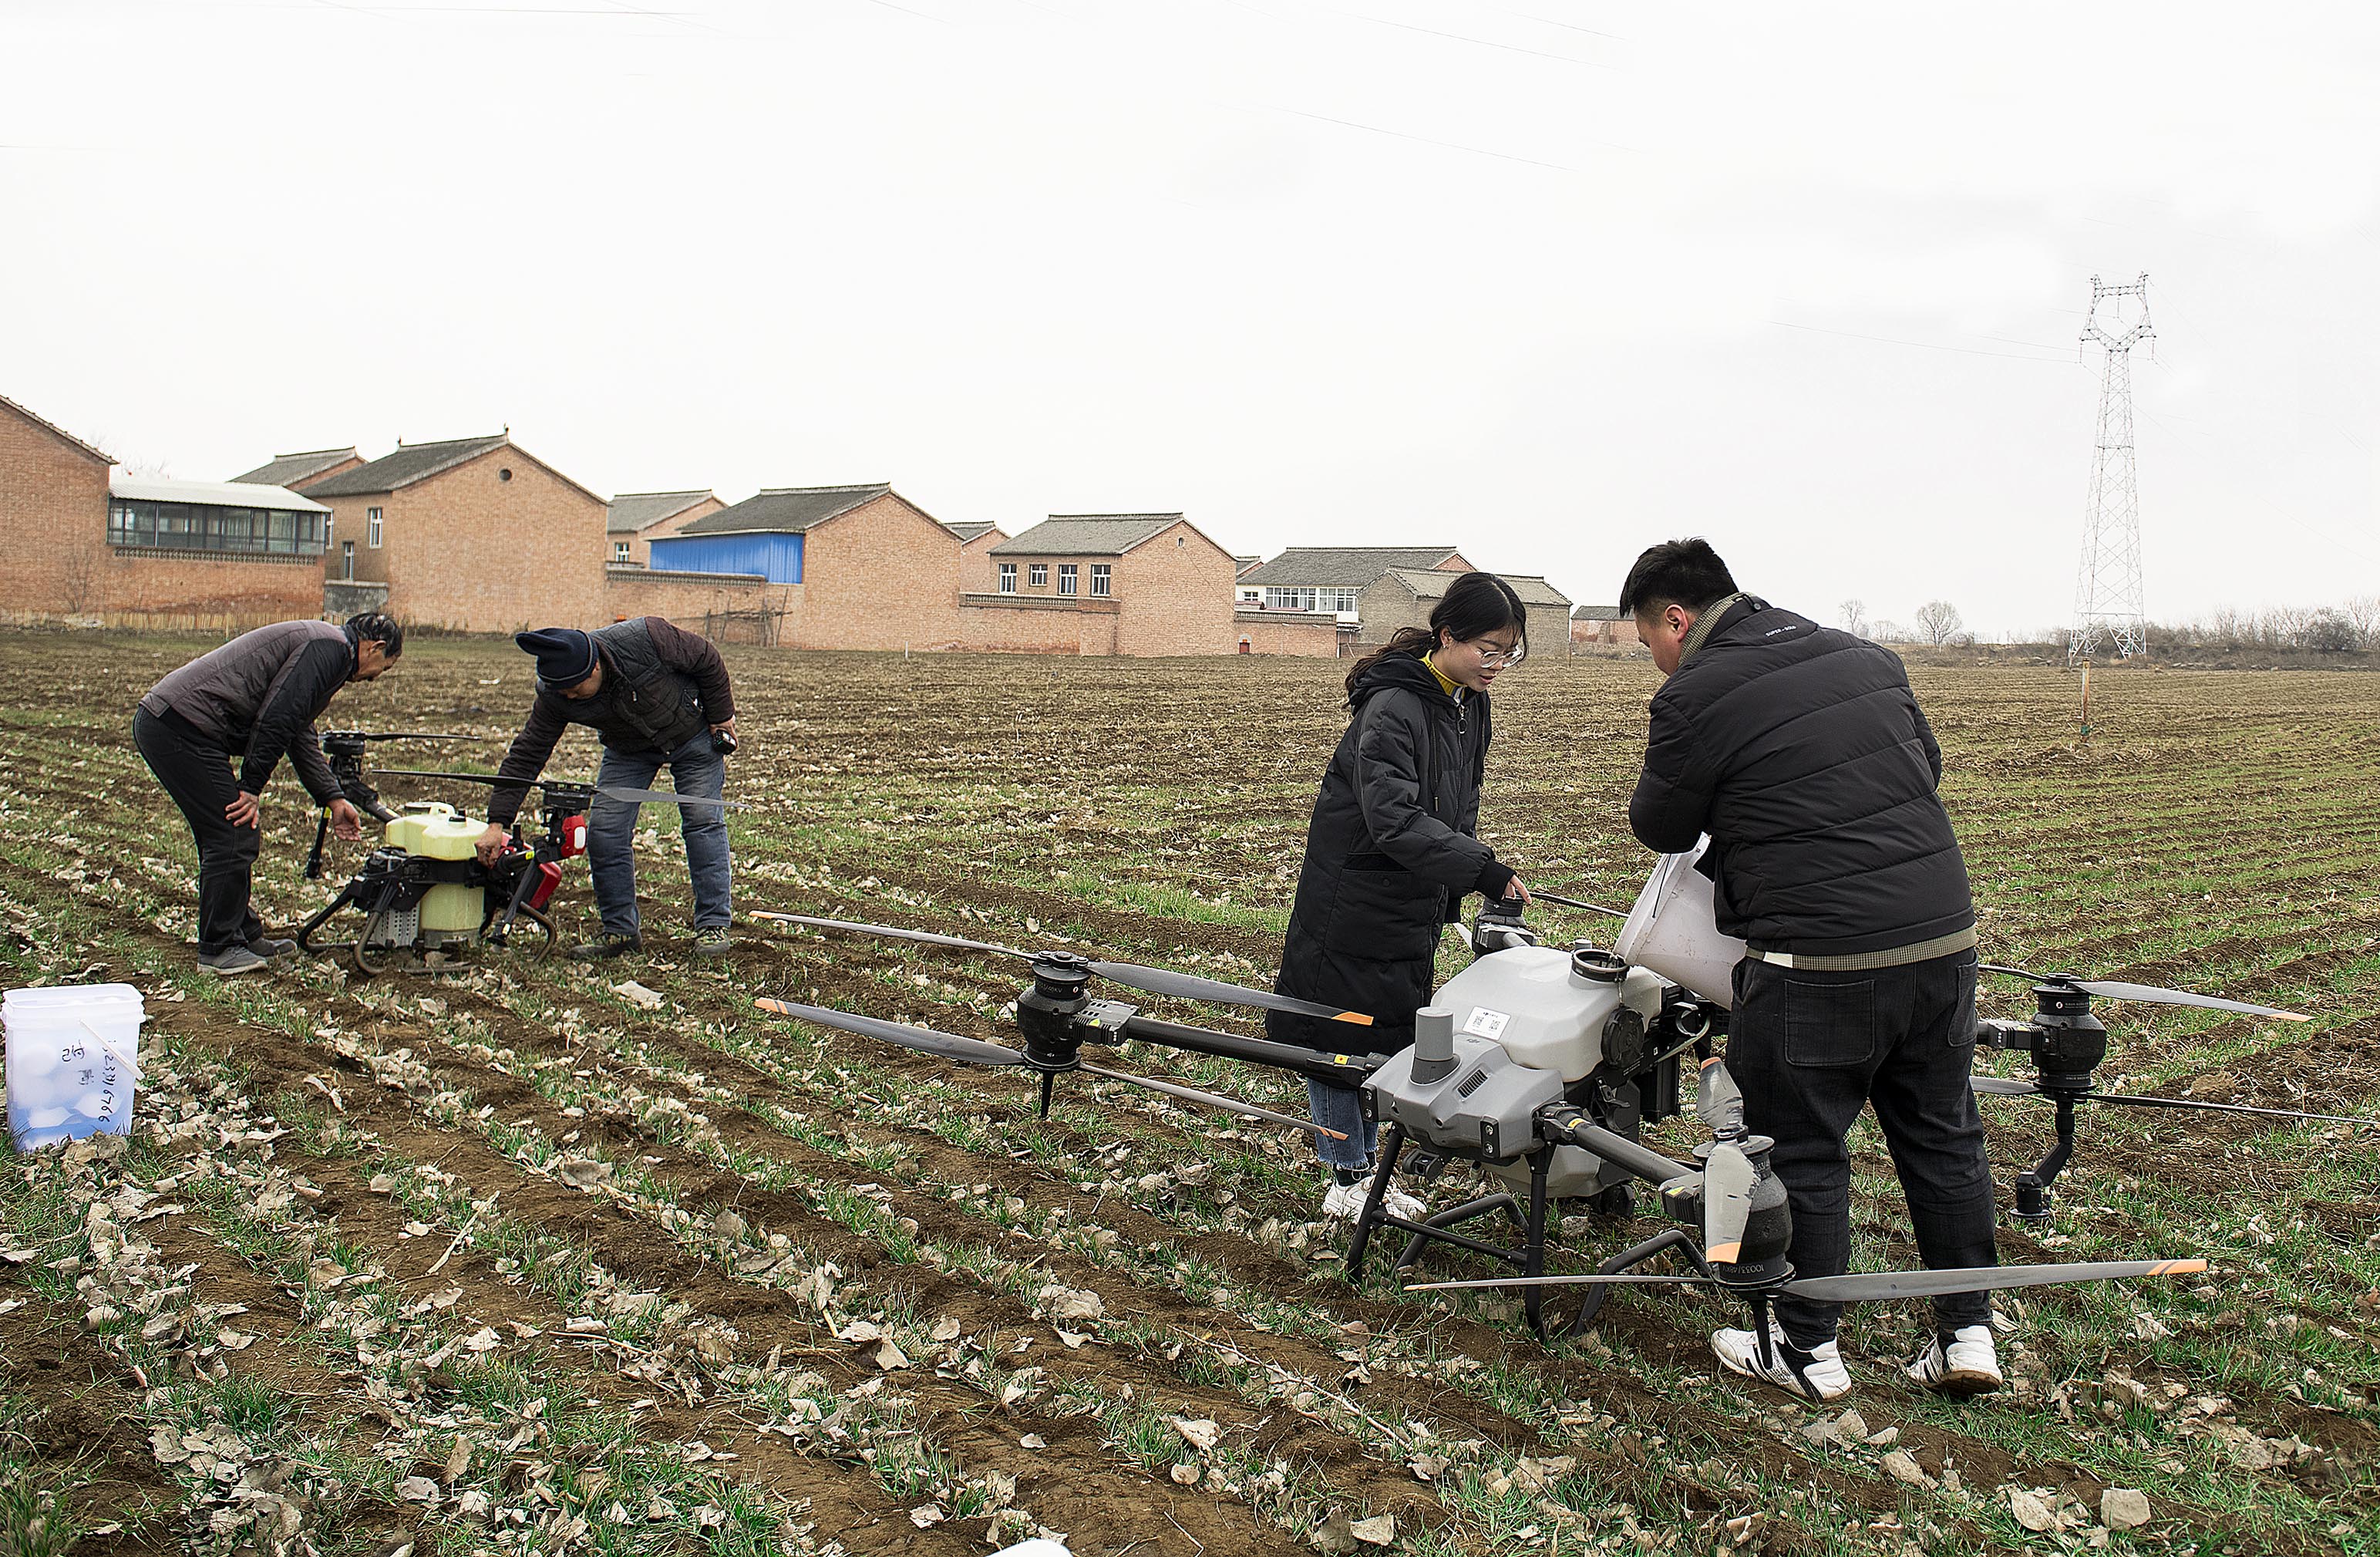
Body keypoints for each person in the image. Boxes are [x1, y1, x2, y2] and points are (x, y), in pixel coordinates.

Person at [1620, 538, 1998, 1403]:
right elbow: (1924, 769)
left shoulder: (1694, 692)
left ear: (1675, 620)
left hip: (1816, 960)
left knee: (1802, 1147)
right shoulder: (1864, 657)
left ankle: (1805, 1349)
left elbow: (1661, 826)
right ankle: (1968, 1334)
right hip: (1942, 944)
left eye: (1649, 643)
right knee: (1942, 1135)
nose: (1657, 661)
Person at [1268, 571, 1533, 1220]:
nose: (1497, 665)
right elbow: (1393, 818)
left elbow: (1458, 804)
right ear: (1447, 636)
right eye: (1488, 650)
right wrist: (1479, 869)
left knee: (1385, 1035)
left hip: (1408, 896)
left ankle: (1365, 1172)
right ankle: (1346, 1178)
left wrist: (1454, 880)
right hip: (1357, 898)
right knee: (1338, 1041)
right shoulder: (1393, 706)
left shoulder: (1465, 702)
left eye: (1509, 653)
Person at [134, 612, 405, 976]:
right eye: (384, 668)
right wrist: (250, 787)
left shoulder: (330, 652)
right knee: (232, 832)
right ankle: (219, 949)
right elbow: (278, 717)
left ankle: (243, 936)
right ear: (376, 647)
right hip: (178, 726)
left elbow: (299, 731)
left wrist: (333, 796)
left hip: (182, 724)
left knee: (232, 833)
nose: (375, 678)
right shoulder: (329, 650)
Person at [476, 616, 739, 960]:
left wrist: (721, 716)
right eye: (563, 692)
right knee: (604, 831)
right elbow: (528, 753)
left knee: (702, 820)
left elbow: (707, 658)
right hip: (628, 749)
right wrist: (497, 823)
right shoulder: (555, 694)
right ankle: (620, 932)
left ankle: (713, 925)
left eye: (575, 690)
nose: (570, 697)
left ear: (595, 667)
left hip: (693, 735)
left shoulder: (647, 638)